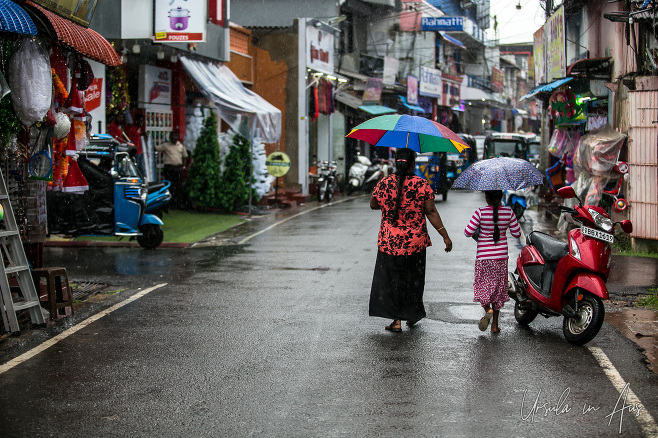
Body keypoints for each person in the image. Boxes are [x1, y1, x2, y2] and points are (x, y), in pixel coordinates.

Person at [369, 148, 453, 333]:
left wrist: (389, 205)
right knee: (412, 280)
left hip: (389, 242)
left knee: (393, 281)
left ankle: (396, 321)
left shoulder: (385, 183)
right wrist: (445, 236)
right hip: (415, 243)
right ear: (413, 164)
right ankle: (412, 314)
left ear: (395, 163)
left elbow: (374, 204)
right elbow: (431, 212)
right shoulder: (422, 185)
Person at [464, 190, 521, 333]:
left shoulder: (480, 212)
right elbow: (517, 233)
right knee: (497, 291)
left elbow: (468, 232)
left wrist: (482, 229)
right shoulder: (508, 212)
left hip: (484, 258)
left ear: (486, 197)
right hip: (501, 258)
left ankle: (487, 308)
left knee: (483, 287)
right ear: (501, 197)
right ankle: (495, 326)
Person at [154, 131, 188, 209]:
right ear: (170, 137)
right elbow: (156, 148)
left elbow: (185, 156)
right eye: (172, 136)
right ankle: (168, 203)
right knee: (169, 186)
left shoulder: (181, 146)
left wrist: (183, 166)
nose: (174, 138)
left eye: (175, 136)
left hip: (178, 168)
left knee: (179, 186)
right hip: (169, 168)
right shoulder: (166, 145)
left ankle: (178, 203)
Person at [126, 112, 145, 177]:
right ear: (136, 121)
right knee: (136, 169)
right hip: (135, 153)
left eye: (142, 121)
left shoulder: (140, 129)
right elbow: (129, 140)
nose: (141, 122)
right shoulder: (132, 129)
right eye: (140, 120)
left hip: (140, 152)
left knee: (141, 170)